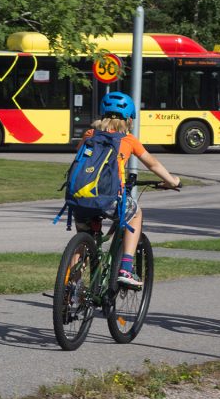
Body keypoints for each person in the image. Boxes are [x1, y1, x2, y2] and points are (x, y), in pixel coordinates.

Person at [76, 91, 180, 286]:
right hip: (109, 198)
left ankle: (72, 287)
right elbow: (153, 164)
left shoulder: (90, 134)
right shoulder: (128, 140)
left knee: (84, 239)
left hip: (81, 196)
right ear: (130, 118)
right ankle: (126, 267)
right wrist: (172, 181)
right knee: (135, 214)